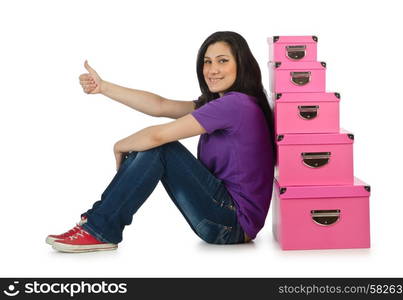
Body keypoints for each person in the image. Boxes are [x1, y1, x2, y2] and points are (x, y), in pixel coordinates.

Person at [46, 31, 275, 253]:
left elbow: (157, 136)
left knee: (159, 147)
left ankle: (99, 228)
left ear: (241, 64)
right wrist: (104, 87)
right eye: (207, 62)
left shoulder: (235, 105)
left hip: (230, 223)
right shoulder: (225, 105)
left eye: (222, 61)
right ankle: (98, 225)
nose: (212, 70)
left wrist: (120, 145)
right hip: (226, 221)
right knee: (154, 146)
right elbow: (160, 105)